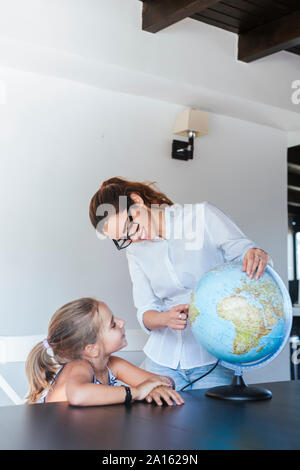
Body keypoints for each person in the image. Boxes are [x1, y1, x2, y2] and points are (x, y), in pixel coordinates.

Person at [89, 177, 273, 391]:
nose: (134, 238)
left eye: (131, 227)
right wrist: (165, 318)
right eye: (123, 238)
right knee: (157, 424)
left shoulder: (202, 217)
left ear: (137, 201)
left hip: (213, 360)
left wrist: (254, 254)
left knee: (215, 423)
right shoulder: (135, 250)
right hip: (162, 360)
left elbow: (247, 257)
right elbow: (146, 310)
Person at [25, 297, 184, 406]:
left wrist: (157, 386)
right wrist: (137, 392)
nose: (122, 322)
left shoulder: (112, 364)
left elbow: (162, 380)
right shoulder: (79, 366)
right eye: (113, 324)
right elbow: (78, 396)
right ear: (92, 349)